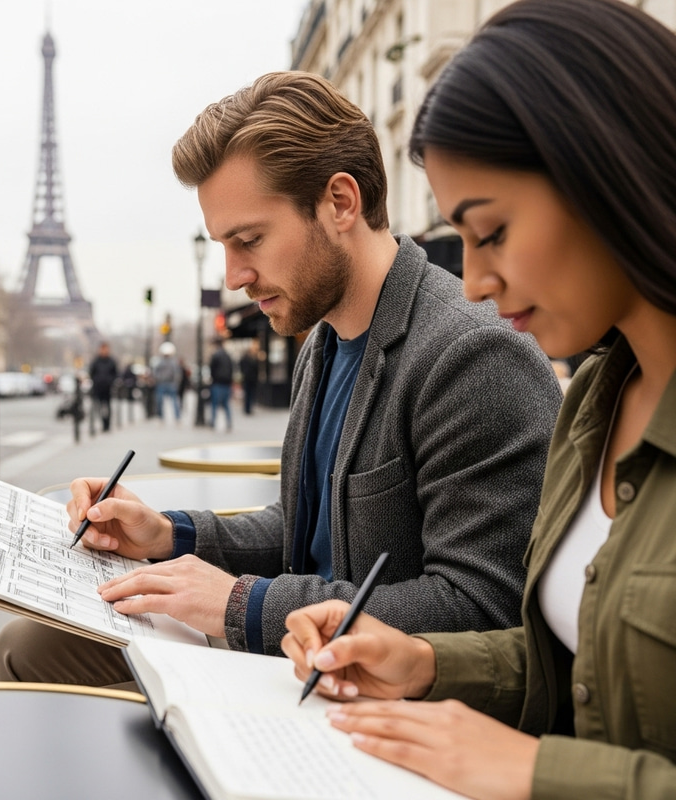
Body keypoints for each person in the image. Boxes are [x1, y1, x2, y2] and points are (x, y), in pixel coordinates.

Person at [0, 70, 561, 688]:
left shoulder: (470, 354)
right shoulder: (323, 340)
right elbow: (303, 526)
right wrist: (168, 534)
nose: (234, 275)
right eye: (223, 247)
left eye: (250, 239)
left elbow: (480, 609)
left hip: (363, 689)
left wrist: (243, 604)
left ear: (340, 203)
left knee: (39, 664)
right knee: (31, 643)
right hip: (291, 650)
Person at [281, 2, 676, 798]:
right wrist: (425, 662)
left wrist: (540, 772)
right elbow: (584, 665)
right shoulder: (598, 396)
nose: (477, 282)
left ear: (608, 173)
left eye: (490, 232)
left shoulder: (481, 357)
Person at [88, 341, 118, 432]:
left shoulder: (111, 361)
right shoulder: (96, 361)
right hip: (98, 387)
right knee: (100, 407)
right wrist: (96, 380)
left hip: (108, 388)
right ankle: (103, 424)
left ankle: (107, 424)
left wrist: (110, 381)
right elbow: (91, 373)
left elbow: (116, 373)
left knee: (108, 406)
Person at [152, 341, 182, 422]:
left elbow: (177, 373)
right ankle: (161, 417)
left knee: (174, 402)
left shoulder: (173, 362)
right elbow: (155, 372)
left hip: (170, 384)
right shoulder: (159, 362)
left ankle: (177, 417)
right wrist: (158, 379)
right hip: (161, 383)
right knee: (159, 401)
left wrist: (175, 383)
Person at [208, 336, 233, 430]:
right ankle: (229, 423)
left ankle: (213, 422)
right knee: (226, 405)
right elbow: (231, 369)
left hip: (217, 383)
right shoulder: (227, 355)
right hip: (226, 383)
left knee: (215, 404)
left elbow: (212, 369)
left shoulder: (215, 355)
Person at [239, 339, 260, 415]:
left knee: (249, 394)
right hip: (249, 379)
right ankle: (247, 408)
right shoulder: (250, 359)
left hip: (249, 379)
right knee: (249, 394)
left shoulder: (251, 359)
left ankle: (248, 408)